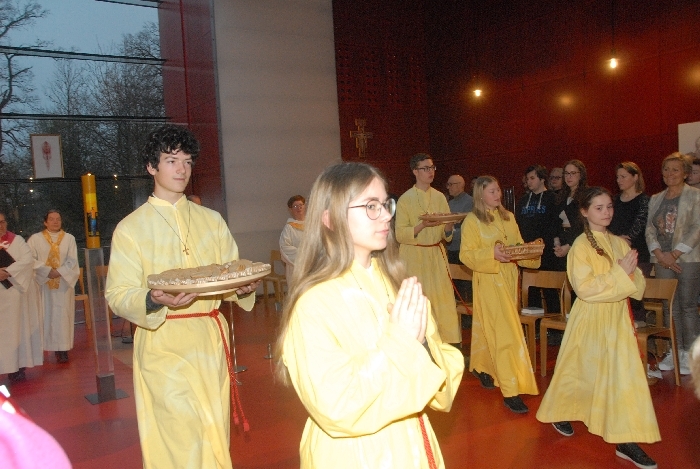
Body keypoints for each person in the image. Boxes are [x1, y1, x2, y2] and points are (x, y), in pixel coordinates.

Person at [276, 162, 464, 469]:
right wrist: (401, 341)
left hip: (413, 444)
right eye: (371, 206)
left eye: (386, 204)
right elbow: (336, 405)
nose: (387, 215)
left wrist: (423, 345)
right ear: (330, 218)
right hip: (355, 453)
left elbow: (442, 381)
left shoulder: (396, 283)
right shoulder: (313, 303)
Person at [105, 124, 260, 469]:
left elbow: (230, 272)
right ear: (151, 166)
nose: (182, 170)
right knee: (177, 433)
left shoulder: (212, 220)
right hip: (163, 341)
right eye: (172, 160)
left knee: (212, 429)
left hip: (209, 340)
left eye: (187, 162)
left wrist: (242, 287)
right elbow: (118, 293)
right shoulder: (131, 228)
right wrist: (153, 300)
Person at [537, 187, 659, 469]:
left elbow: (638, 285)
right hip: (590, 319)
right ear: (584, 211)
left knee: (623, 378)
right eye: (599, 208)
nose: (606, 213)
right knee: (579, 370)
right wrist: (620, 273)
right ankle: (561, 410)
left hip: (617, 319)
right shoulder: (580, 246)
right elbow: (585, 289)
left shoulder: (619, 243)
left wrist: (628, 274)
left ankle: (626, 440)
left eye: (609, 207)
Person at [460, 176, 540, 414]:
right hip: (488, 280)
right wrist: (491, 254)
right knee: (505, 333)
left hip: (509, 279)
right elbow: (466, 255)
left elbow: (517, 245)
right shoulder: (472, 221)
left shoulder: (508, 217)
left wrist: (531, 250)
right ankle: (510, 389)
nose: (498, 194)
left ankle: (482, 366)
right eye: (492, 191)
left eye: (498, 190)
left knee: (492, 327)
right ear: (480, 195)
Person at [395, 154, 460, 347]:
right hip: (414, 256)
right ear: (415, 171)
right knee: (419, 301)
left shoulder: (439, 197)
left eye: (432, 167)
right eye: (425, 168)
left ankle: (446, 345)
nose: (430, 172)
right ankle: (419, 345)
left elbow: (446, 235)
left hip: (436, 254)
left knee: (443, 301)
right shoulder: (405, 199)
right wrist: (422, 225)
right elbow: (400, 234)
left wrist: (449, 225)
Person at [645, 152, 700, 377]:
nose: (670, 174)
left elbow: (697, 227)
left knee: (687, 307)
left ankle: (691, 354)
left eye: (675, 169)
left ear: (685, 173)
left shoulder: (695, 196)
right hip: (661, 259)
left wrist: (675, 254)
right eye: (666, 169)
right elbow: (650, 228)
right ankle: (674, 351)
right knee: (670, 307)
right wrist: (660, 253)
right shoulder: (656, 198)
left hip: (687, 259)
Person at [27, 210, 79, 364]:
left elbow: (72, 260)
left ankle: (62, 349)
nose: (55, 222)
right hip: (43, 284)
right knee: (44, 315)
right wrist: (46, 271)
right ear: (45, 222)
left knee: (62, 317)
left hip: (63, 284)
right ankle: (42, 348)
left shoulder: (69, 239)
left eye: (58, 219)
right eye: (51, 219)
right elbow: (29, 259)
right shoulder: (35, 239)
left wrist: (59, 272)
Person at [608, 162, 650, 329]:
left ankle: (638, 321)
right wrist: (615, 239)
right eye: (617, 177)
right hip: (616, 251)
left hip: (637, 252)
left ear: (635, 177)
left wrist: (626, 239)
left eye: (623, 176)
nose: (619, 180)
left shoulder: (644, 200)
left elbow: (639, 224)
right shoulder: (614, 200)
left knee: (634, 288)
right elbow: (606, 223)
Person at [515, 165, 560, 311]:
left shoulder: (553, 198)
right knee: (531, 290)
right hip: (528, 252)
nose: (529, 182)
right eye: (527, 179)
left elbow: (557, 224)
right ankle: (534, 322)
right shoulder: (523, 200)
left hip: (547, 252)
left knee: (549, 290)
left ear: (542, 179)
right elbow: (517, 223)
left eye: (532, 178)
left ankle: (554, 324)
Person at [0, 213, 34, 383]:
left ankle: (17, 368)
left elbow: (27, 260)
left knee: (15, 330)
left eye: (2, 222)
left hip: (13, 292)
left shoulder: (17, 240)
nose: (0, 225)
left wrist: (8, 272)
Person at [553, 160, 588, 267]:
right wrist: (557, 243)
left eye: (573, 173)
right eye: (566, 173)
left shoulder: (586, 195)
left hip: (579, 243)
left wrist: (569, 245)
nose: (569, 177)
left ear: (581, 175)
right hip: (562, 242)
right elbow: (555, 222)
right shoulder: (561, 196)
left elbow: (583, 225)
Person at [446, 175, 473, 303]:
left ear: (460, 185)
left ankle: (468, 313)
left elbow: (469, 228)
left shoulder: (470, 202)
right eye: (448, 184)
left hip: (464, 249)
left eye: (451, 184)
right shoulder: (449, 203)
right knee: (454, 285)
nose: (448, 188)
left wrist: (449, 233)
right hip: (451, 249)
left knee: (466, 286)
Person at [279, 195, 305, 281]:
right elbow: (284, 247)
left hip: (313, 266)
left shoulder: (312, 225)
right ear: (290, 209)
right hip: (296, 268)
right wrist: (304, 255)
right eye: (295, 206)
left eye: (300, 205)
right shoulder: (289, 228)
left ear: (304, 206)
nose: (299, 208)